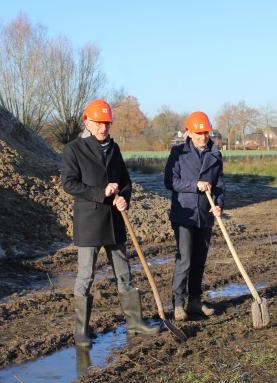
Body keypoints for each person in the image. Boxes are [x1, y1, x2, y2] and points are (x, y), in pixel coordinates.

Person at [62, 99, 160, 348]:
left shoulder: (114, 149)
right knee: (85, 277)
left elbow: (125, 182)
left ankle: (135, 322)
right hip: (90, 223)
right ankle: (81, 332)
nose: (103, 128)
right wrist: (101, 193)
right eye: (98, 123)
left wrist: (124, 199)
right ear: (87, 121)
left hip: (115, 221)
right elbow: (69, 184)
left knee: (124, 274)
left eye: (106, 123)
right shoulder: (74, 149)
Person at [164, 111, 224, 321]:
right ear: (188, 132)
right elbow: (170, 182)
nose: (202, 137)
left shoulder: (215, 155)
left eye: (205, 133)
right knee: (185, 259)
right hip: (184, 215)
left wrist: (218, 205)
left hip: (205, 215)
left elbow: (220, 185)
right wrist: (194, 186)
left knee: (199, 260)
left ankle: (195, 301)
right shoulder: (178, 153)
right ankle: (179, 303)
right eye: (198, 133)